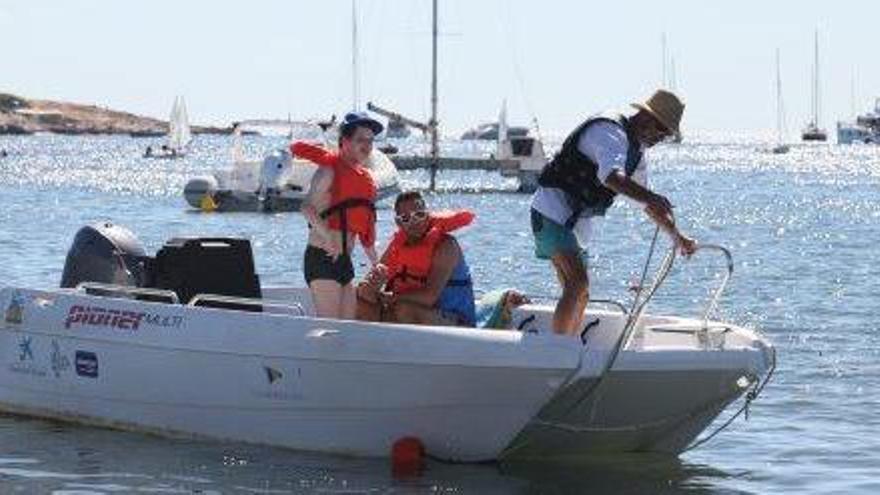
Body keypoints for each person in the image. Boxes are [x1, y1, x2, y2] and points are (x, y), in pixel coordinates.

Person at [531, 89, 697, 336]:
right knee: (577, 284)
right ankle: (560, 351)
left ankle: (568, 346)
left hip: (575, 224)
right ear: (646, 117)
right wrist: (651, 197)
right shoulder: (609, 132)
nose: (661, 139)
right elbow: (610, 177)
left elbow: (647, 203)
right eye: (662, 131)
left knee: (581, 292)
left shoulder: (635, 153)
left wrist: (677, 237)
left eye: (667, 135)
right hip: (551, 211)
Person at [290, 112, 382, 319]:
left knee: (348, 326)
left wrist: (376, 263)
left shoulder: (365, 180)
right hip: (322, 257)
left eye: (370, 140)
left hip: (345, 262)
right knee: (330, 327)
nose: (366, 146)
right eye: (360, 140)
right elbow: (306, 207)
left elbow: (365, 231)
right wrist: (327, 236)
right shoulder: (328, 171)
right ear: (344, 141)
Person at [356, 191, 477, 327]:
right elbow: (370, 282)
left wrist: (392, 297)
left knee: (403, 309)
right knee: (362, 300)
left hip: (457, 320)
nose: (414, 222)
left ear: (427, 215)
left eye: (419, 215)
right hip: (415, 311)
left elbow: (429, 297)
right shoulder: (398, 245)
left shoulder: (446, 246)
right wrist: (369, 288)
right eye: (406, 218)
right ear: (399, 222)